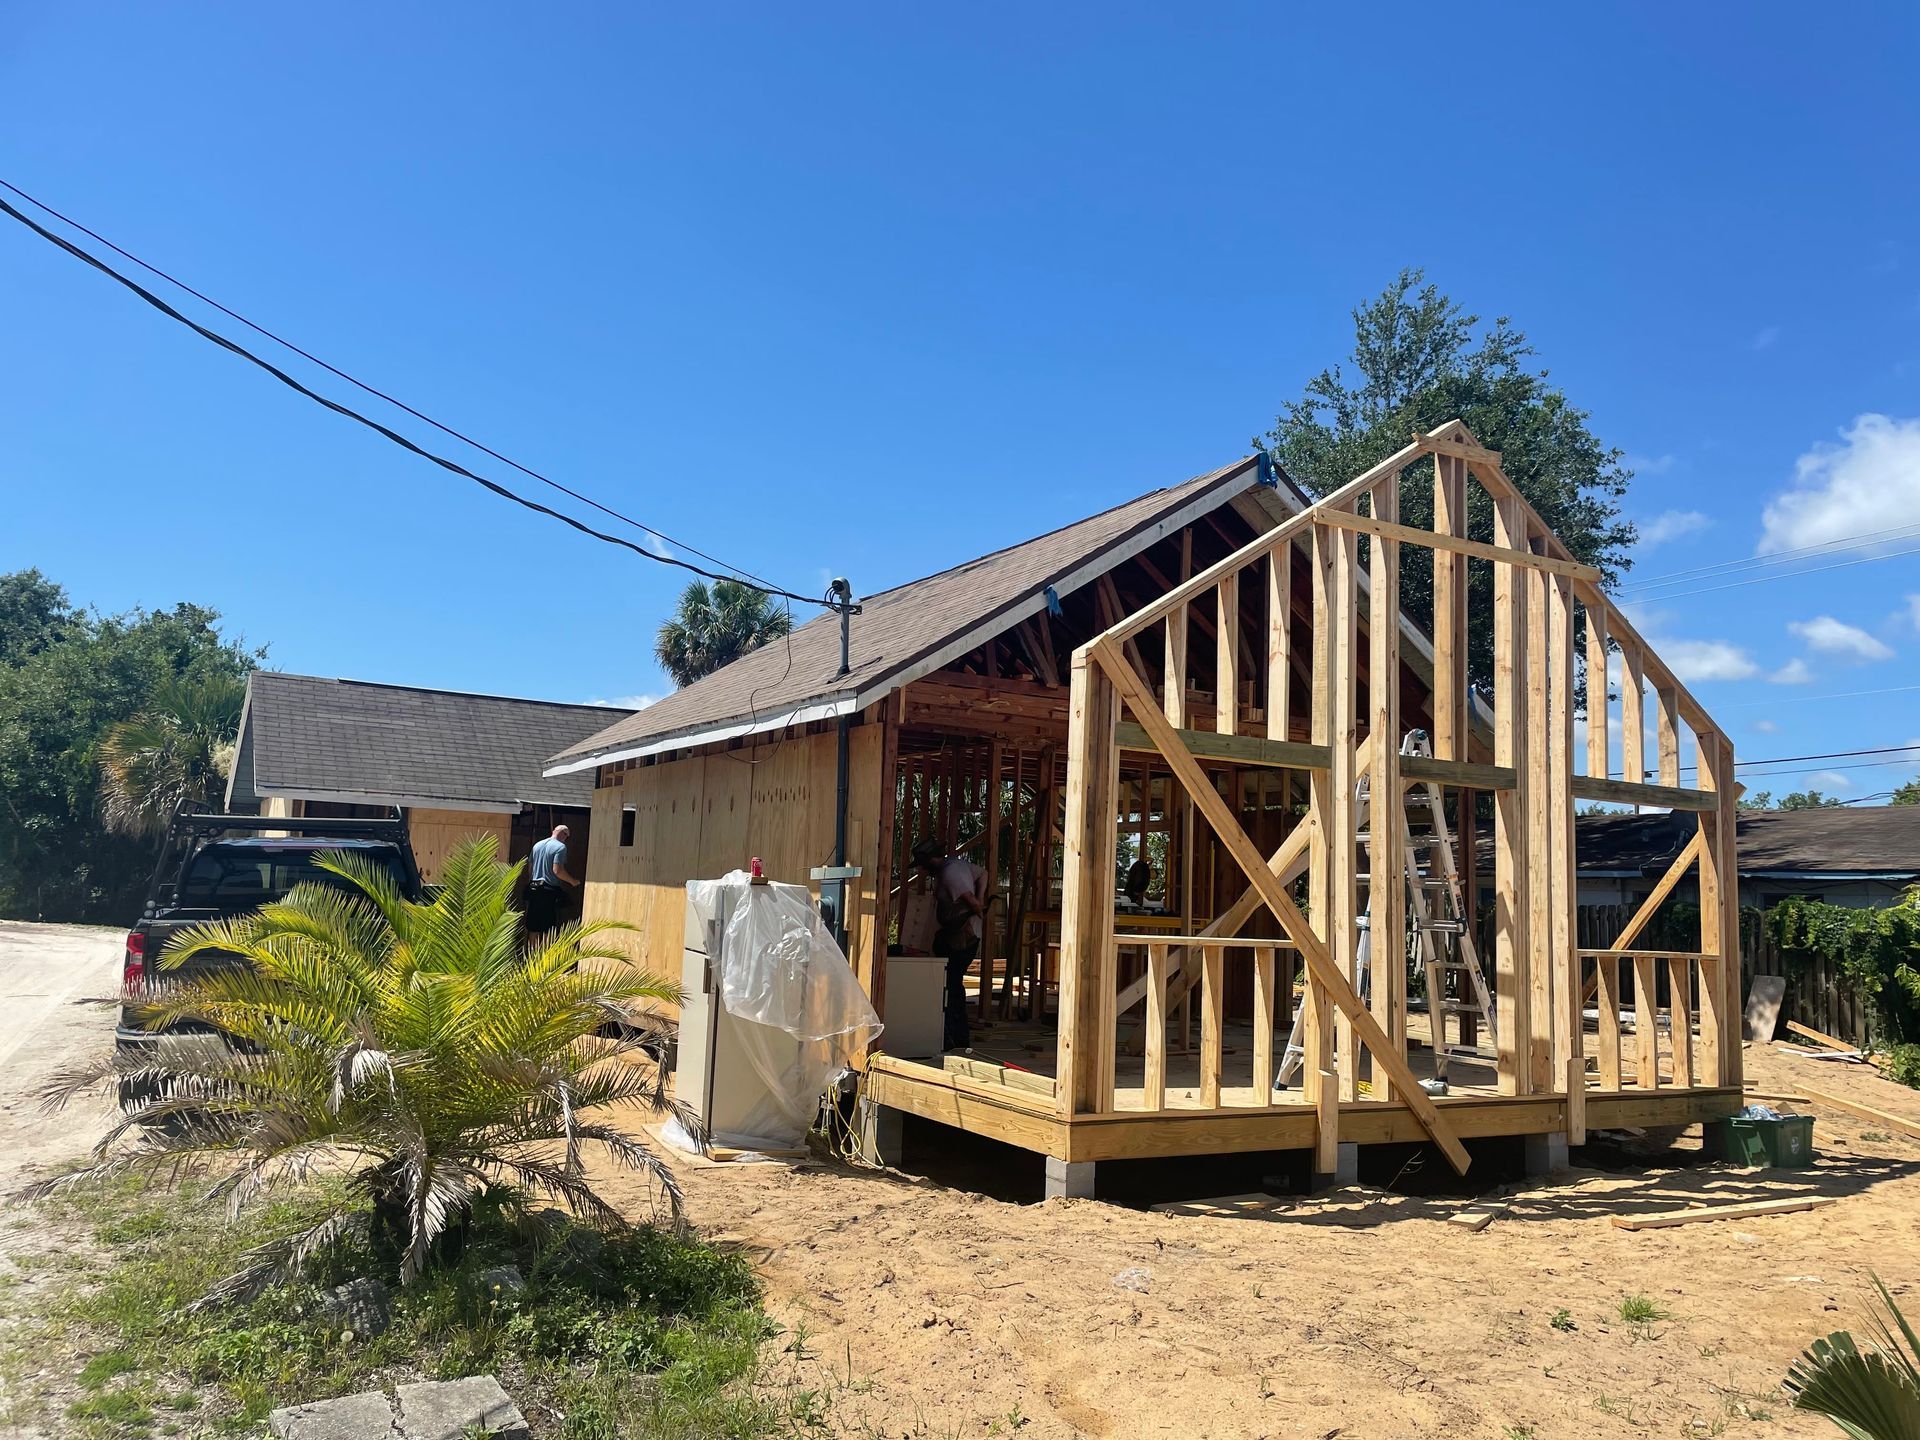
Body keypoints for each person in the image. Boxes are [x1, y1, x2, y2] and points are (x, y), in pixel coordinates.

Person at [913, 836, 989, 1052]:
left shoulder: (950, 874)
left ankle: (957, 1039)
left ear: (929, 861)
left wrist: (978, 904)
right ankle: (954, 1037)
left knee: (952, 987)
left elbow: (973, 904)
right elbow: (983, 873)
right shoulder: (955, 864)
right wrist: (981, 897)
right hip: (962, 936)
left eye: (921, 865)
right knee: (951, 984)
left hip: (962, 939)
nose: (921, 870)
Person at [524, 823, 580, 934]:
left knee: (533, 927)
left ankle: (532, 951)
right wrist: (573, 881)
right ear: (564, 835)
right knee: (548, 928)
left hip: (534, 888)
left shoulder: (537, 845)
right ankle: (545, 951)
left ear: (554, 831)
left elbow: (530, 868)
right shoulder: (560, 847)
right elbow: (557, 871)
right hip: (548, 891)